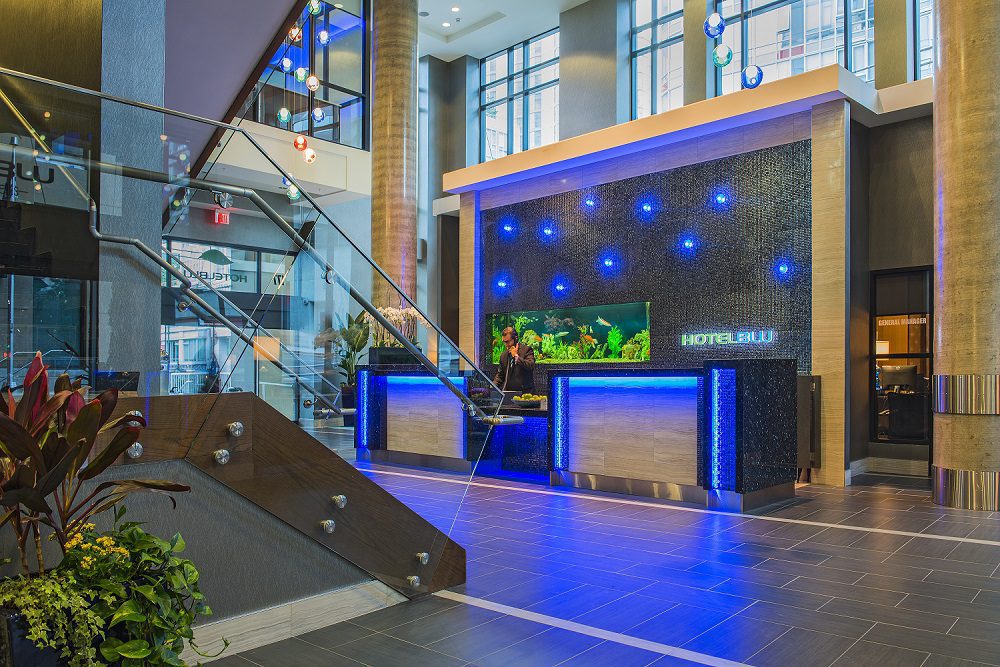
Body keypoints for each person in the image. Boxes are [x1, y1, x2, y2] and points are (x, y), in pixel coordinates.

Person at [493, 326, 536, 393]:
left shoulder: (527, 350)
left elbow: (530, 366)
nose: (506, 345)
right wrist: (492, 387)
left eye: (507, 342)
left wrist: (516, 357)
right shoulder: (503, 355)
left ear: (515, 339)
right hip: (509, 394)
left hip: (525, 394)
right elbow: (500, 376)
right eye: (504, 342)